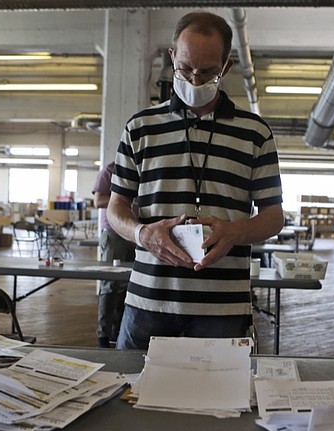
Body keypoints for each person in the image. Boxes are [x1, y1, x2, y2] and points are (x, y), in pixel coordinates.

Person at [107, 11, 285, 350]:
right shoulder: (139, 128)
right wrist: (142, 233)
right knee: (133, 395)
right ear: (172, 56)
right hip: (148, 303)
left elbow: (274, 216)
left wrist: (236, 231)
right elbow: (116, 207)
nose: (194, 80)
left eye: (207, 72)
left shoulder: (255, 133)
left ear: (226, 68)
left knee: (221, 400)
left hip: (222, 310)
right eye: (185, 68)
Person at [92, 161, 135, 348]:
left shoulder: (137, 170)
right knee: (109, 284)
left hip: (134, 233)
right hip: (113, 233)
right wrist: (122, 200)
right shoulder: (108, 171)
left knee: (127, 284)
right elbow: (98, 201)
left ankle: (118, 330)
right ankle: (103, 333)